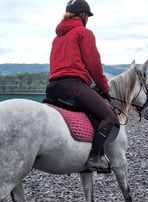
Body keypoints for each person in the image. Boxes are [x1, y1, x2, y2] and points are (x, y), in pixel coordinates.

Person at [46, 0, 120, 174]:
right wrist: (104, 88)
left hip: (53, 87)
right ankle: (95, 157)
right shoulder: (83, 33)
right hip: (74, 86)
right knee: (108, 116)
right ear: (83, 15)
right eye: (88, 16)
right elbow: (94, 65)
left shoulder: (57, 38)